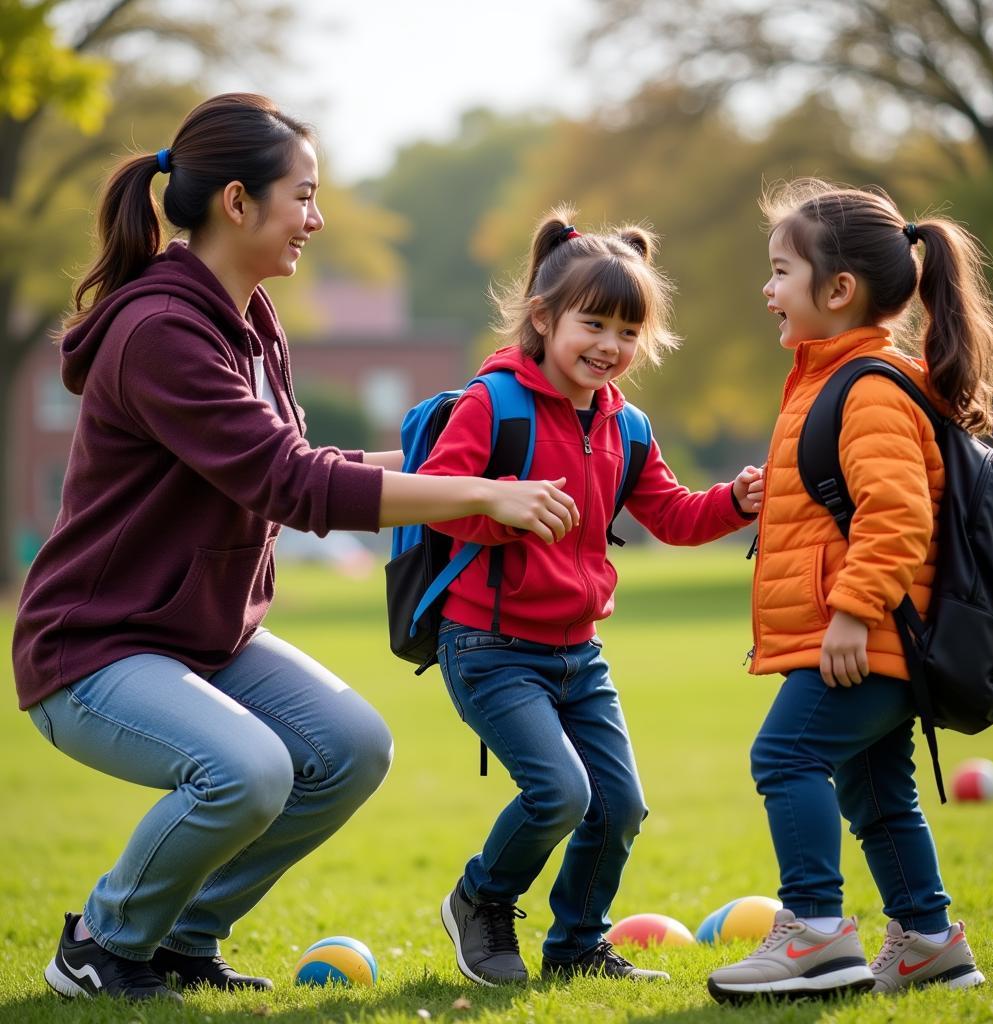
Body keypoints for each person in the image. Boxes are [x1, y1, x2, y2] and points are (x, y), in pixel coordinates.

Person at [12, 93, 579, 1005]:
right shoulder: (161, 332)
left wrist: (483, 457)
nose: (317, 219)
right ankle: (102, 944)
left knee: (350, 747)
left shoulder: (252, 318)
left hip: (202, 637)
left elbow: (314, 463)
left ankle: (183, 939)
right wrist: (477, 494)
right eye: (304, 196)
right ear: (238, 202)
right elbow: (294, 484)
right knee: (248, 769)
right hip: (93, 649)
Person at [419, 206, 763, 986]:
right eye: (594, 324)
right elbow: (434, 497)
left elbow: (670, 514)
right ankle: (480, 899)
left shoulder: (627, 425)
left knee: (619, 807)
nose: (611, 346)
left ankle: (577, 947)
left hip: (579, 653)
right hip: (488, 646)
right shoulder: (492, 403)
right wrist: (508, 508)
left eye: (628, 332)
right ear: (544, 318)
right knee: (560, 793)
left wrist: (734, 502)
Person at [707, 179, 993, 1003]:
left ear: (838, 291)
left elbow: (898, 517)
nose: (766, 290)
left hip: (867, 635)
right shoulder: (833, 380)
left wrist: (850, 612)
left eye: (779, 272)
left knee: (786, 755)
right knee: (876, 787)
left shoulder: (869, 387)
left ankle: (812, 931)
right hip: (877, 637)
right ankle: (926, 939)